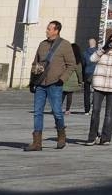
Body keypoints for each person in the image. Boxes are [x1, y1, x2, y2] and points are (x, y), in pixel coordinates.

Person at [26, 20, 79, 150]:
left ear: (56, 31)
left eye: (49, 29)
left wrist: (62, 79)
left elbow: (72, 64)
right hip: (40, 83)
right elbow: (35, 63)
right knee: (37, 112)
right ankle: (37, 142)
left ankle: (61, 136)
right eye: (47, 28)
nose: (47, 31)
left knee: (57, 112)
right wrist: (32, 81)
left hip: (55, 83)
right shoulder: (42, 44)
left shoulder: (65, 45)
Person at [86, 30, 112, 145]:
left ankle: (105, 138)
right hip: (99, 85)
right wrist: (103, 49)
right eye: (111, 40)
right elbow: (92, 59)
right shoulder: (102, 52)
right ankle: (92, 136)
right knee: (95, 111)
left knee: (109, 113)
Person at [75, 40, 95, 114]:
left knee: (86, 93)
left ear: (88, 44)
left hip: (87, 73)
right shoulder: (98, 52)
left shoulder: (85, 53)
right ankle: (94, 106)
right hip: (96, 74)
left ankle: (87, 110)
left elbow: (83, 64)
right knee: (96, 92)